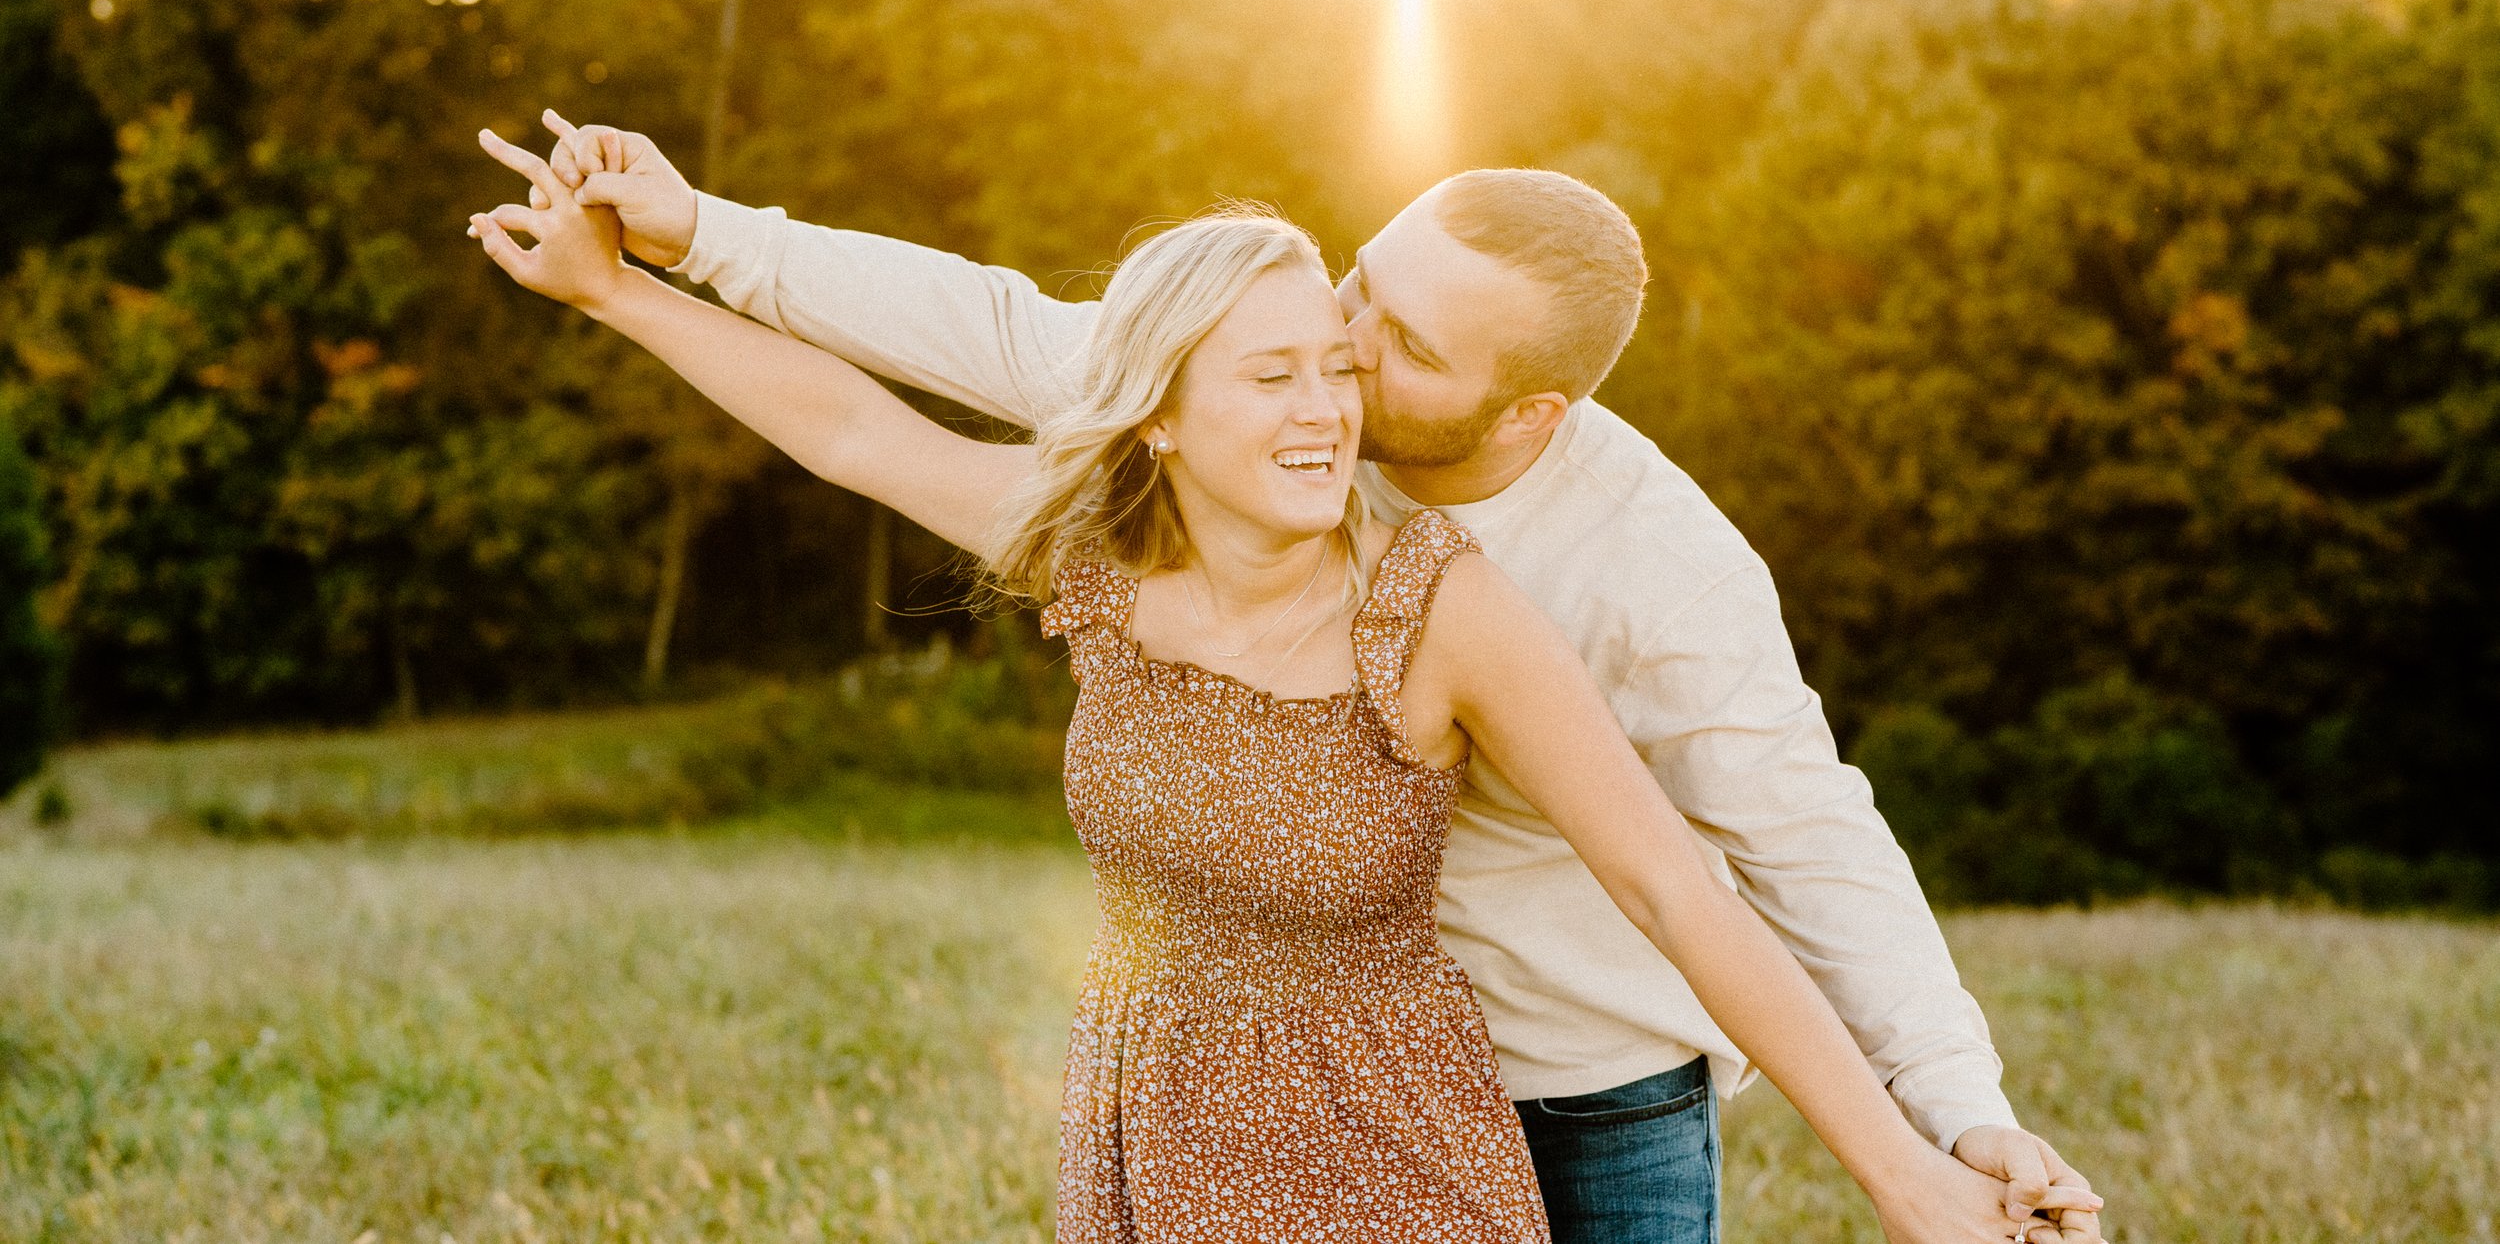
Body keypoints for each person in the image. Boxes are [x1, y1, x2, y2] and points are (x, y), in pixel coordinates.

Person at [466, 129, 2096, 1244]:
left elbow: (1763, 858)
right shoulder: (1217, 426)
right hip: (1200, 1100)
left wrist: (1944, 1128)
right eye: (1352, 296)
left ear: (1525, 415)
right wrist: (682, 246)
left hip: (1575, 1085)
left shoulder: (1633, 574)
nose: (1343, 359)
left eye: (1389, 351)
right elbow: (943, 365)